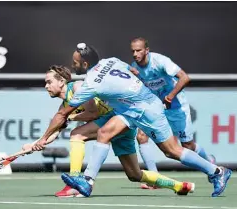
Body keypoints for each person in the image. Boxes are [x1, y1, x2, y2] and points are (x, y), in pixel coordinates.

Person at [32, 43, 231, 197]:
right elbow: (132, 70)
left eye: (75, 63)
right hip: (129, 110)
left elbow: (62, 114)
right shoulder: (111, 60)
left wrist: (42, 139)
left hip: (145, 109)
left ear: (85, 64)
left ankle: (216, 171)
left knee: (172, 151)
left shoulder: (89, 84)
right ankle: (87, 181)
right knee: (105, 134)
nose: (73, 66)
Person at [38, 65, 137, 197]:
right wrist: (38, 143)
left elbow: (93, 113)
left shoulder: (77, 87)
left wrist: (69, 117)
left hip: (117, 119)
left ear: (61, 81)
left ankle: (74, 183)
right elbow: (55, 132)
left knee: (76, 134)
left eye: (49, 82)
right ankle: (174, 185)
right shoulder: (64, 106)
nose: (46, 86)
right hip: (110, 126)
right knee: (135, 175)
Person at [130, 37, 216, 189]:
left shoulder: (160, 61)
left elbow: (184, 78)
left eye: (139, 50)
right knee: (141, 136)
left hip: (176, 106)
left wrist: (170, 97)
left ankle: (209, 161)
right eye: (133, 51)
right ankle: (155, 179)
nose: (135, 54)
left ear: (146, 50)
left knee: (187, 145)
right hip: (156, 108)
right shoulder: (134, 68)